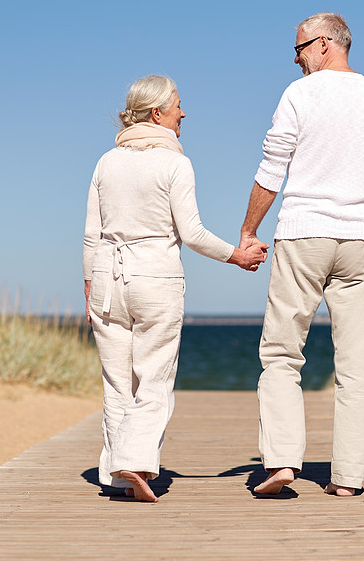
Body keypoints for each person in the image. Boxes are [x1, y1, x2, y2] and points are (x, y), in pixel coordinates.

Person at [239, 13, 364, 497]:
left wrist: (249, 229)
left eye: (298, 49)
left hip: (304, 234)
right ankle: (348, 479)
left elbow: (272, 166)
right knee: (358, 364)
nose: (295, 59)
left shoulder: (300, 95)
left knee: (280, 353)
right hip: (363, 239)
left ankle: (280, 460)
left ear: (325, 44)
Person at [83, 75, 267, 502]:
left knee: (116, 382)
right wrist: (238, 256)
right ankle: (136, 460)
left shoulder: (106, 162)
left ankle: (115, 476)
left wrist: (90, 287)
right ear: (157, 113)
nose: (184, 113)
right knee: (154, 378)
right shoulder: (175, 163)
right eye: (178, 105)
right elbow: (194, 233)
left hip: (107, 278)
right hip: (156, 279)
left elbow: (92, 236)